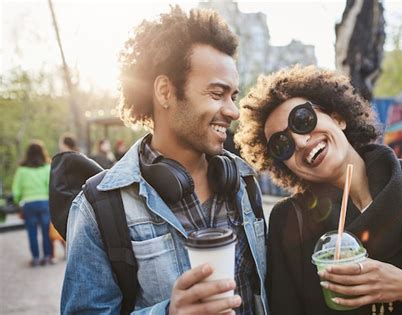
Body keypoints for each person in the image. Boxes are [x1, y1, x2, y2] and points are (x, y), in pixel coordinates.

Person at [61, 6, 268, 315]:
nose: (233, 111)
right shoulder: (98, 205)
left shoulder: (243, 181)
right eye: (216, 93)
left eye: (233, 96)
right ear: (165, 91)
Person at [234, 65, 402, 315]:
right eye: (281, 145)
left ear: (338, 117)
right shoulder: (290, 222)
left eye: (302, 120)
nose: (301, 142)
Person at [12, 140, 53, 266]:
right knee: (46, 231)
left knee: (32, 231)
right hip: (45, 203)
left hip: (28, 204)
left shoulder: (22, 170)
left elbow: (16, 190)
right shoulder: (47, 167)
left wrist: (18, 202)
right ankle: (47, 257)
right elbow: (51, 186)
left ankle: (35, 258)